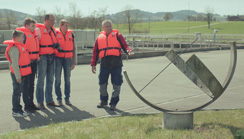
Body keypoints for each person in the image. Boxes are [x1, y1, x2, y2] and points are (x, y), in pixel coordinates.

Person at [91, 19, 134, 111]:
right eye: (107, 26)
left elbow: (125, 46)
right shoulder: (99, 38)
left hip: (116, 63)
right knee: (102, 84)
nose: (109, 28)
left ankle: (113, 103)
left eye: (110, 26)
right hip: (104, 63)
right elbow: (95, 52)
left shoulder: (118, 35)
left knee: (117, 84)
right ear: (103, 28)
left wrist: (128, 52)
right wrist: (93, 64)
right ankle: (103, 100)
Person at [35, 14, 62, 109]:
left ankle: (49, 100)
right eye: (51, 21)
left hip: (52, 56)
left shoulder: (53, 31)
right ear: (46, 20)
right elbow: (35, 44)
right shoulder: (38, 30)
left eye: (54, 21)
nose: (53, 22)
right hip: (42, 57)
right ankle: (40, 101)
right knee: (41, 80)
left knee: (50, 80)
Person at [4, 30, 31, 117]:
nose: (23, 39)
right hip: (17, 74)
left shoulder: (19, 46)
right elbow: (15, 64)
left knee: (19, 91)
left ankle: (19, 109)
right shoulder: (14, 48)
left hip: (22, 73)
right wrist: (18, 77)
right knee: (17, 92)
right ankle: (15, 110)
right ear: (17, 38)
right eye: (22, 37)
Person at [16, 17, 40, 112]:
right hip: (27, 64)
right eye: (32, 26)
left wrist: (37, 56)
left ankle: (31, 103)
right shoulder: (24, 35)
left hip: (34, 62)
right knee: (26, 85)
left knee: (32, 84)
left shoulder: (34, 34)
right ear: (26, 26)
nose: (34, 28)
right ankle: (27, 105)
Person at [54, 19, 76, 106]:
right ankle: (59, 99)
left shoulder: (71, 34)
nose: (67, 27)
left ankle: (67, 98)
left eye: (68, 25)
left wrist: (74, 61)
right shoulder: (55, 34)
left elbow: (74, 48)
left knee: (67, 80)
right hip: (58, 58)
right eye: (65, 25)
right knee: (57, 80)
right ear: (60, 25)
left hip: (68, 59)